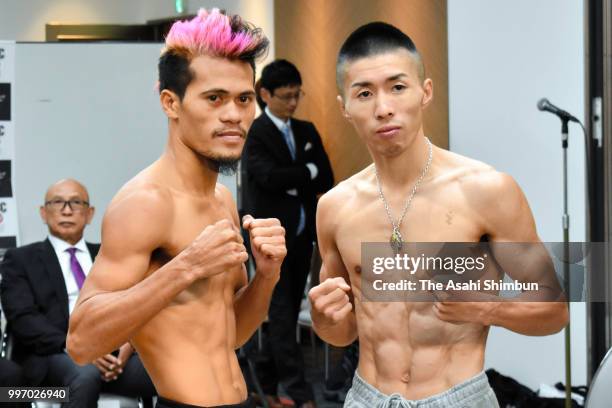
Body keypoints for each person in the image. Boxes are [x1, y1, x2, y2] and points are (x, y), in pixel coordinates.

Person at [308, 22, 569, 408]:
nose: (383, 108)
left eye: (398, 87)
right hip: (368, 397)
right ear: (345, 106)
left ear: (424, 92)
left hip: (459, 397)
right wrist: (324, 319)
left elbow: (556, 310)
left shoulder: (486, 190)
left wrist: (487, 308)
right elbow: (343, 332)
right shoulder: (333, 207)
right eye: (364, 93)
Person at [65, 9, 285, 408]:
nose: (234, 115)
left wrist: (266, 277)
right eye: (214, 98)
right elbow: (81, 342)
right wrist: (186, 267)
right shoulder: (145, 203)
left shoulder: (221, 199)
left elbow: (229, 333)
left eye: (244, 99)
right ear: (171, 103)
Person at [0, 179, 155, 408]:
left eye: (75, 202)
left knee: (173, 371)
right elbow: (23, 319)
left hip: (115, 358)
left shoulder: (109, 255)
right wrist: (80, 349)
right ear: (43, 213)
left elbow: (134, 304)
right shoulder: (21, 259)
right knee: (84, 376)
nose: (66, 210)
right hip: (55, 356)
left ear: (90, 214)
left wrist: (128, 346)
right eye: (57, 202)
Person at [241, 59, 334, 408]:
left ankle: (265, 379)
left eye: (298, 95)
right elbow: (267, 178)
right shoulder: (256, 131)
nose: (293, 103)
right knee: (280, 314)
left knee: (289, 311)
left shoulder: (306, 130)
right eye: (286, 96)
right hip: (268, 240)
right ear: (265, 94)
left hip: (301, 237)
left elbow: (325, 177)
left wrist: (298, 174)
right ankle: (298, 391)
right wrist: (304, 171)